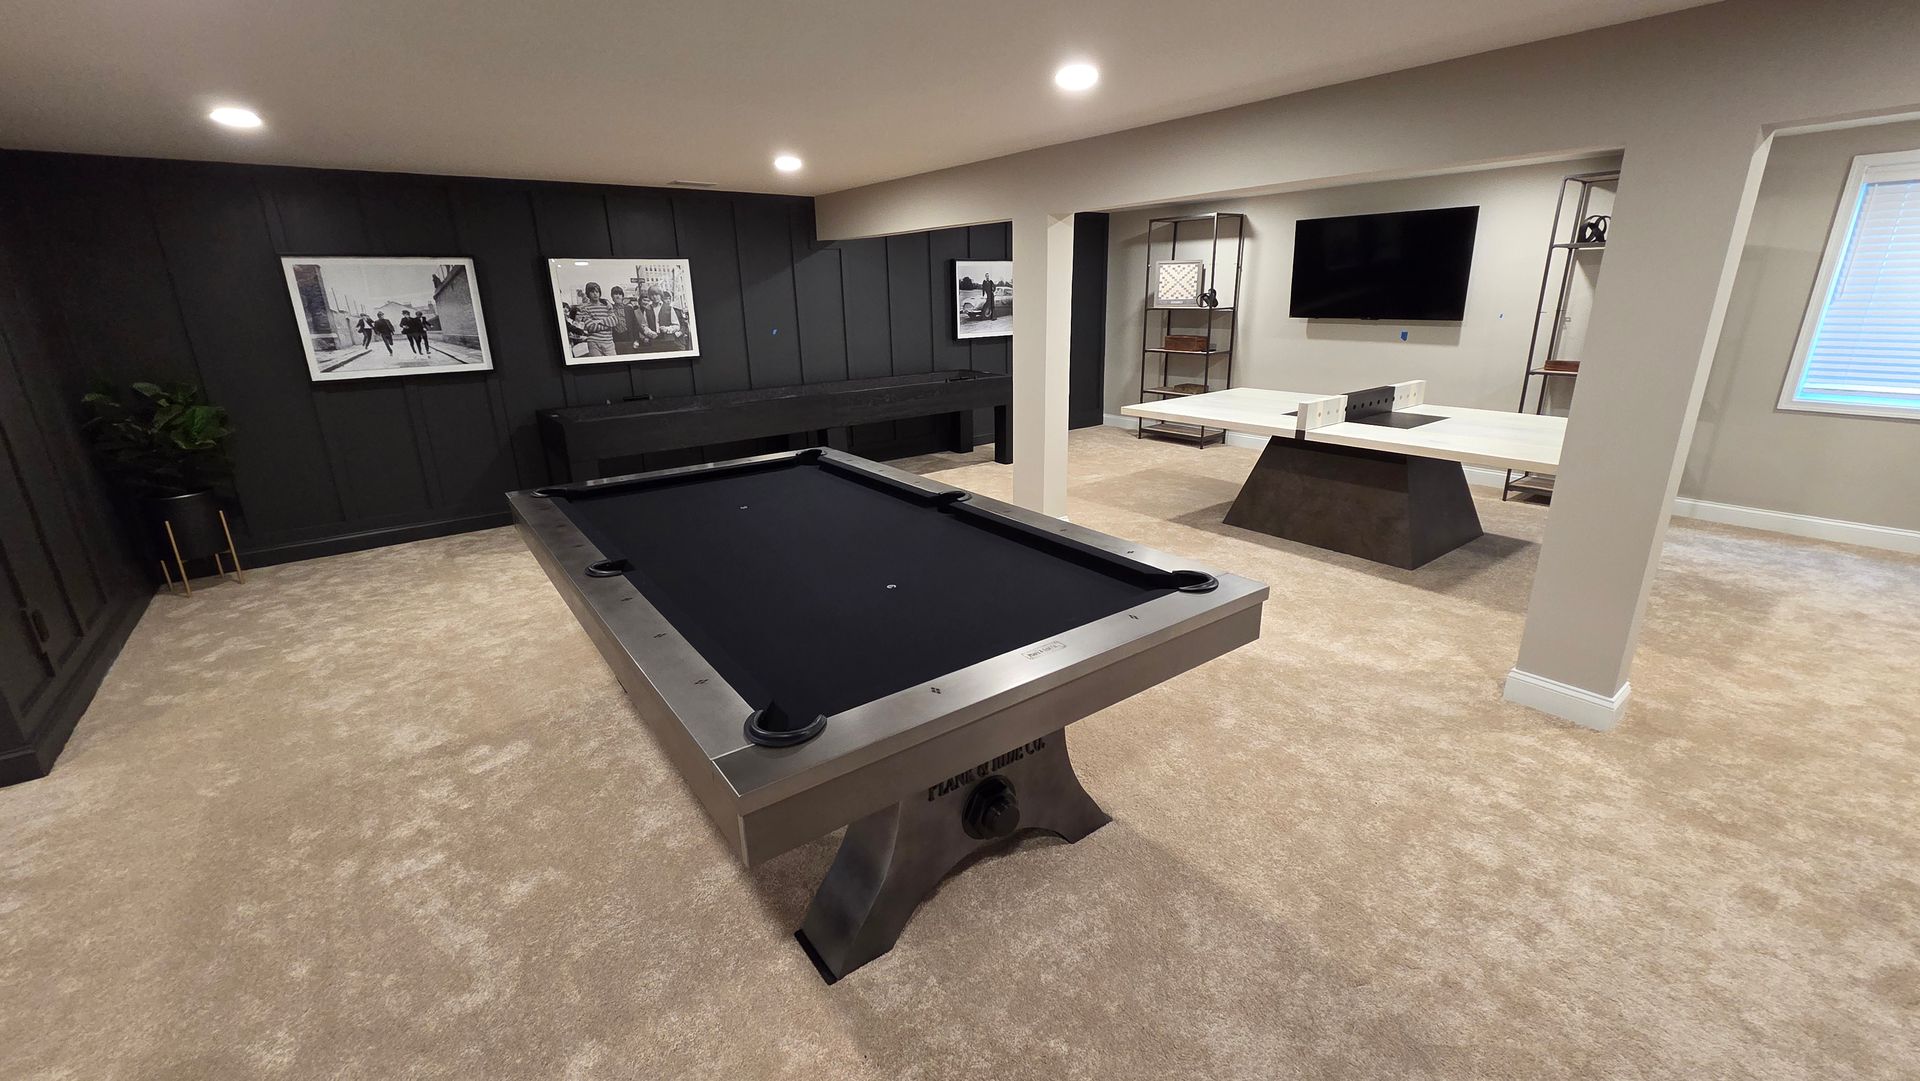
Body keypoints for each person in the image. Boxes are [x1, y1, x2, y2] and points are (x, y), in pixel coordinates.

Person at [575, 283, 618, 357]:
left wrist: (598, 322)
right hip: (593, 342)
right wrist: (607, 325)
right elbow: (590, 327)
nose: (595, 294)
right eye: (592, 292)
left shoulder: (607, 306)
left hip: (609, 342)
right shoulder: (585, 308)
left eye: (597, 292)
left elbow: (614, 321)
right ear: (588, 294)